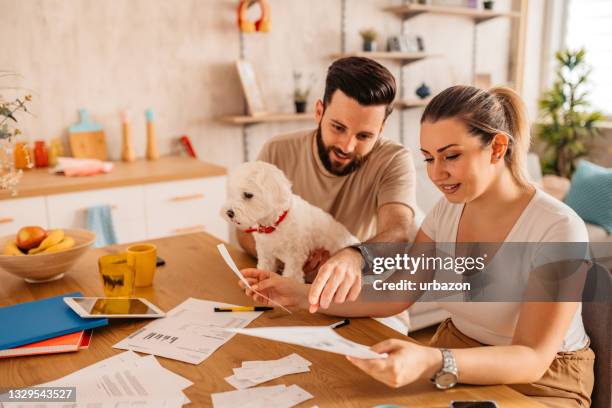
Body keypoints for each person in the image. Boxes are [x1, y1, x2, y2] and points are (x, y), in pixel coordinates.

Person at [238, 85, 595, 407]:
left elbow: (532, 357)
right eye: (429, 157)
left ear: (497, 147)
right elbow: (397, 293)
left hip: (542, 382)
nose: (436, 174)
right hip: (457, 352)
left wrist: (433, 360)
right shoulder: (446, 211)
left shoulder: (558, 228)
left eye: (451, 156)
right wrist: (301, 294)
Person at [237, 56, 418, 286]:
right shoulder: (276, 151)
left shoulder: (394, 159)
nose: (347, 146)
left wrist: (353, 257)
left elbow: (397, 233)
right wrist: (287, 256)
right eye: (338, 127)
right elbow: (244, 228)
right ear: (319, 112)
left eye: (364, 136)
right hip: (287, 289)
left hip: (358, 294)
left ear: (381, 129)